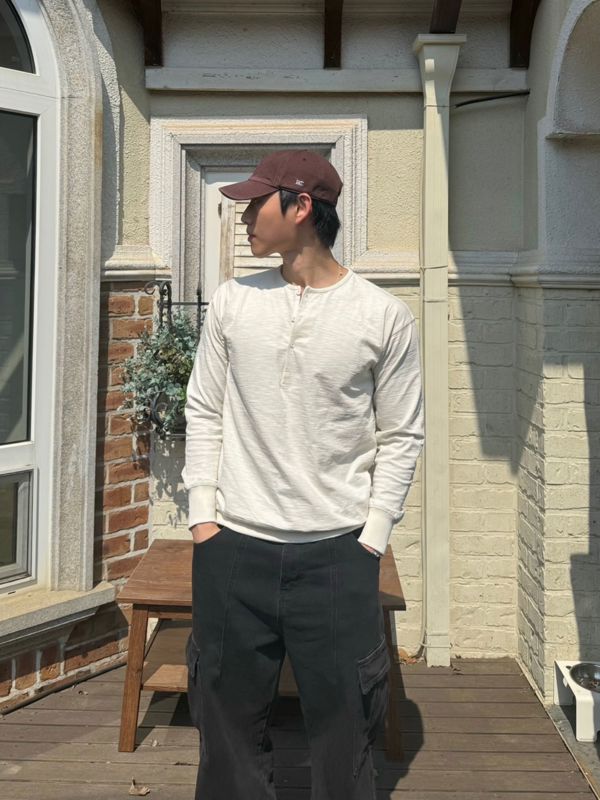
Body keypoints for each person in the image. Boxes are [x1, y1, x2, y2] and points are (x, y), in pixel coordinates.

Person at [182, 148, 424, 800]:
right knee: (226, 739)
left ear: (301, 207)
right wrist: (203, 518)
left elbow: (402, 434)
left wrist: (373, 535)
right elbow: (204, 409)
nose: (243, 217)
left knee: (345, 735)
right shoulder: (233, 302)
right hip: (233, 549)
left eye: (255, 203)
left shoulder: (382, 315)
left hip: (338, 556)